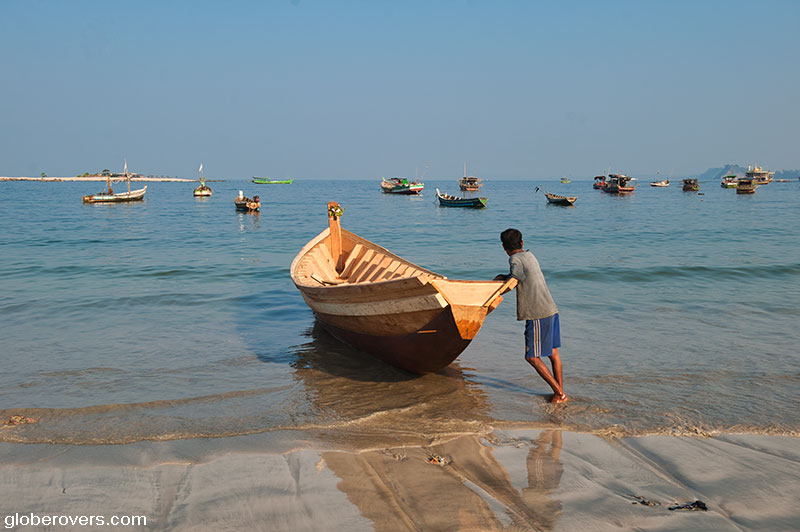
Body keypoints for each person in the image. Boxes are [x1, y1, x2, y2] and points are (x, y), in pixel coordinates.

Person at [495, 228, 567, 403]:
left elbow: (513, 281)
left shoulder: (514, 259)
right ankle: (560, 391)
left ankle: (560, 394)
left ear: (504, 247)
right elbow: (519, 276)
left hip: (537, 313)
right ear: (522, 243)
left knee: (531, 357)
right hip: (550, 309)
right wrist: (506, 277)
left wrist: (494, 290)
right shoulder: (530, 255)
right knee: (553, 353)